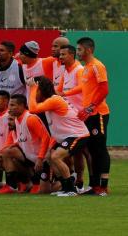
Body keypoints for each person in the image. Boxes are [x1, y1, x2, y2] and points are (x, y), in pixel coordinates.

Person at [28, 76, 90, 196]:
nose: (34, 94)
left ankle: (71, 190)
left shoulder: (54, 100)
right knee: (51, 158)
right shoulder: (50, 101)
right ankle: (66, 186)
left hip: (78, 135)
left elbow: (32, 108)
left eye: (37, 91)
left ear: (41, 90)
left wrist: (32, 88)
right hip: (68, 136)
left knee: (56, 157)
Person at [0, 94, 50, 194]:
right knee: (7, 153)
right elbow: (22, 140)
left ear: (22, 106)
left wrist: (40, 158)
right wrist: (1, 152)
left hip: (41, 159)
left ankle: (66, 183)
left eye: (12, 105)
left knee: (44, 191)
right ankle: (13, 185)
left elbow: (46, 138)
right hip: (29, 158)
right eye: (9, 105)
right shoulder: (17, 119)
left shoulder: (30, 119)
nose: (9, 108)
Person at [76, 37, 111, 196]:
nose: (78, 52)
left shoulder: (97, 66)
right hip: (89, 114)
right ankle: (94, 186)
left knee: (100, 149)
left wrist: (91, 107)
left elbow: (104, 90)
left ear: (88, 50)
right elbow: (84, 89)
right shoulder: (86, 68)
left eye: (79, 49)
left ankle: (103, 187)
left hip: (99, 114)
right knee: (90, 149)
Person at [57, 44, 92, 191]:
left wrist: (65, 93)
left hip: (82, 116)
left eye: (63, 54)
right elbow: (59, 90)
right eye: (60, 54)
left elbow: (84, 88)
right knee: (74, 152)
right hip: (71, 117)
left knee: (86, 151)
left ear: (71, 55)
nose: (60, 57)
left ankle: (93, 183)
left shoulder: (79, 70)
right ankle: (77, 181)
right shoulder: (65, 71)